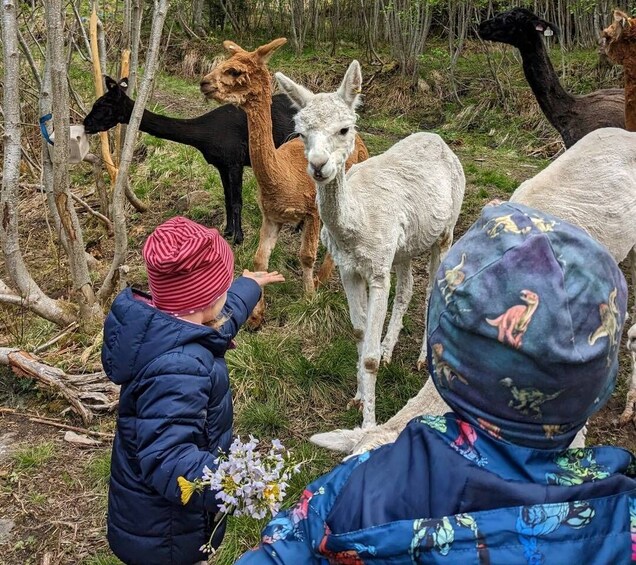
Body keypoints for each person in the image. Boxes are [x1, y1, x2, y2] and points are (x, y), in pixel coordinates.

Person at [237, 202, 636, 564]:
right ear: (600, 385)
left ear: (439, 354)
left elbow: (281, 554)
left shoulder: (354, 491)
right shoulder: (621, 516)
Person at [101, 216, 284, 565]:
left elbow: (219, 316)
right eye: (223, 289)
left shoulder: (166, 324)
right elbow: (168, 460)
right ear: (204, 300)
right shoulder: (179, 367)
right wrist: (236, 481)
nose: (227, 295)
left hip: (151, 518)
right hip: (166, 534)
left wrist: (249, 286)